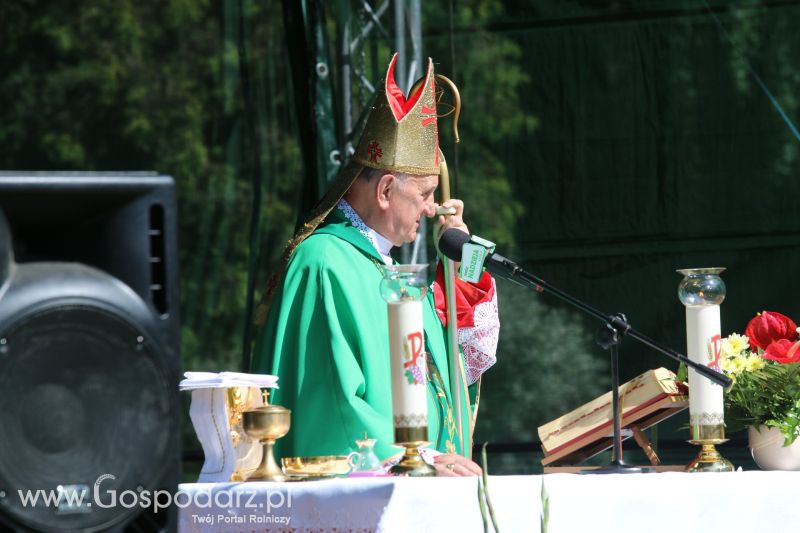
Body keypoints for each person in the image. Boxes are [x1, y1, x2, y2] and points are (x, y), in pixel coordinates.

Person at [252, 54, 499, 477]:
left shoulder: (389, 273)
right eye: (424, 194)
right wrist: (417, 462)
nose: (433, 207)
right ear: (385, 190)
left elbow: (461, 362)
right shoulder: (325, 263)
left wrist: (464, 258)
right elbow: (331, 401)